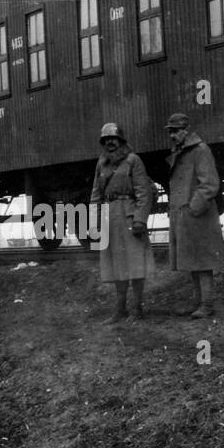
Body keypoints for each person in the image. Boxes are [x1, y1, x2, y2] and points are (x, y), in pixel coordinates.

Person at [89, 122, 155, 323]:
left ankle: (137, 309)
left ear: (121, 141)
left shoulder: (134, 160)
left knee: (135, 264)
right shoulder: (101, 164)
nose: (110, 143)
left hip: (129, 216)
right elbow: (96, 195)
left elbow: (144, 192)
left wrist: (140, 219)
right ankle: (120, 310)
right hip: (110, 219)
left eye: (113, 139)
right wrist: (94, 223)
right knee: (116, 266)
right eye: (106, 140)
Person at [164, 113, 224, 319]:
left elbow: (209, 184)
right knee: (193, 262)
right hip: (186, 216)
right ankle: (198, 303)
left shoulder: (200, 150)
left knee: (203, 263)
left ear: (186, 130)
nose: (172, 135)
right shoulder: (182, 152)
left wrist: (192, 208)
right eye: (170, 131)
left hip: (197, 216)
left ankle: (207, 305)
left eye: (176, 131)